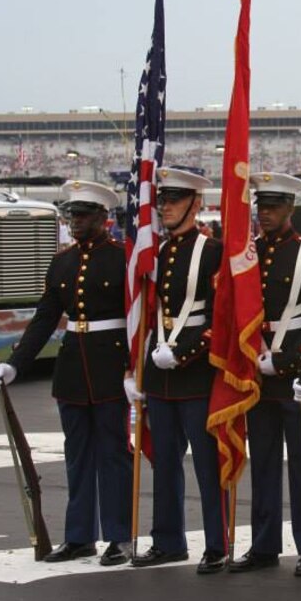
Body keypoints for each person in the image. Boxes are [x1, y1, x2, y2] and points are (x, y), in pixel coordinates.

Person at [0, 180, 132, 566]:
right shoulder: (61, 262)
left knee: (114, 454)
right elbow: (45, 317)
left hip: (111, 365)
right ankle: (79, 536)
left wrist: (137, 370)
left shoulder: (123, 258)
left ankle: (120, 535)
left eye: (83, 216)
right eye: (72, 215)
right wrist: (15, 363)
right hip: (73, 367)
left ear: (104, 218)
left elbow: (138, 319)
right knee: (77, 454)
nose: (75, 222)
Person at [229, 172, 301, 577]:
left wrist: (290, 361)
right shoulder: (249, 255)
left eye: (274, 207)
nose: (266, 214)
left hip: (295, 376)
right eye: (262, 207)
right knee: (265, 462)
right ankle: (263, 544)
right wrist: (255, 356)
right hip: (257, 372)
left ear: (291, 209)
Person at [128, 167, 227, 575]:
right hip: (161, 373)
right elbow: (152, 313)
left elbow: (221, 319)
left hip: (196, 373)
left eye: (174, 200)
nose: (165, 207)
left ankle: (217, 544)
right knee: (164, 461)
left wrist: (185, 352)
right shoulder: (160, 253)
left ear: (196, 203)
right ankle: (168, 540)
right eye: (163, 200)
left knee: (206, 464)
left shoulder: (213, 251)